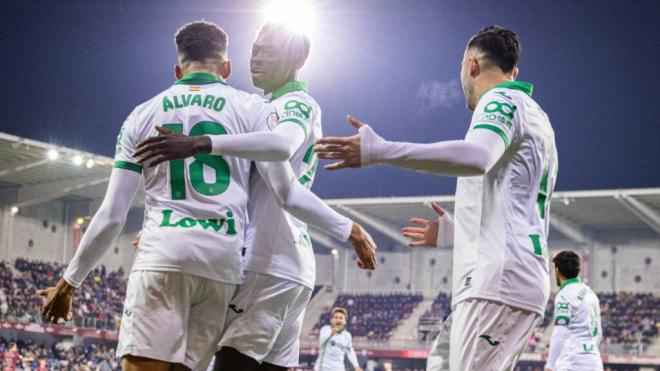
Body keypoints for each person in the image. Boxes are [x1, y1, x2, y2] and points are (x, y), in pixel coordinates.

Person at [38, 20, 375, 371]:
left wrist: (69, 282)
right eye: (254, 50)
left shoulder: (142, 115)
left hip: (180, 254)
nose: (256, 58)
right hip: (227, 262)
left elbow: (112, 214)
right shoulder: (254, 111)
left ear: (175, 69)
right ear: (227, 67)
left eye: (266, 51)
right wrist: (346, 228)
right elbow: (284, 188)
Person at [315, 25, 558, 371]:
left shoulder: (501, 100)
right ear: (513, 70)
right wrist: (456, 234)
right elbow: (516, 205)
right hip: (504, 277)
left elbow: (476, 157)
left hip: (499, 283)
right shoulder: (537, 116)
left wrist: (381, 150)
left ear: (471, 64)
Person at [544, 251, 602, 371]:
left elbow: (560, 331)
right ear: (578, 271)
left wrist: (550, 364)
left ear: (557, 271)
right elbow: (598, 333)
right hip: (594, 361)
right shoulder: (591, 294)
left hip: (572, 362)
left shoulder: (565, 294)